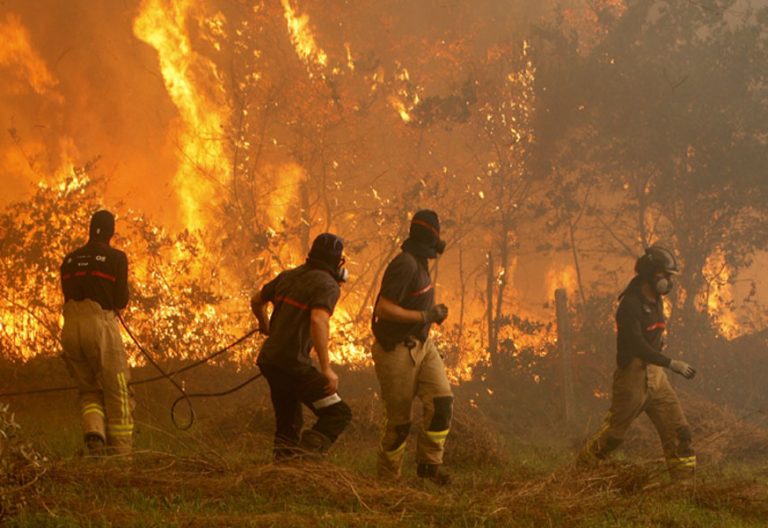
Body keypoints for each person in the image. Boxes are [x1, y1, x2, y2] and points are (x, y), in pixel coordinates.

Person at [581, 245, 697, 482]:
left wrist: (661, 364)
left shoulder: (656, 301)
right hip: (632, 377)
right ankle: (580, 470)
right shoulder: (630, 305)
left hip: (656, 377)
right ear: (651, 274)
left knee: (680, 431)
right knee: (613, 436)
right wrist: (670, 362)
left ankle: (684, 486)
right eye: (665, 275)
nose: (668, 282)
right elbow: (636, 344)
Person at [251, 233, 352, 460]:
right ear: (337, 261)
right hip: (293, 366)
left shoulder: (288, 276)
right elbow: (318, 320)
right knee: (338, 413)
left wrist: (265, 324)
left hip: (271, 362)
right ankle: (303, 461)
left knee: (288, 422)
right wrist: (326, 369)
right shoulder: (328, 285)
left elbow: (256, 300)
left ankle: (283, 470)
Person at [370, 209, 453, 484]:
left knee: (441, 401)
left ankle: (429, 468)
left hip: (423, 346)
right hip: (396, 350)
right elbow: (384, 308)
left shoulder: (419, 262)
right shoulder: (405, 264)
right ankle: (387, 479)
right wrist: (426, 316)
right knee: (399, 422)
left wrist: (432, 313)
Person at [60, 210, 133, 456]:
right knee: (118, 389)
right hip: (99, 325)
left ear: (90, 230)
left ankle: (94, 433)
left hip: (70, 327)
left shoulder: (69, 260)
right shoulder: (116, 258)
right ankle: (122, 457)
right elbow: (120, 299)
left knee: (88, 388)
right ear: (112, 232)